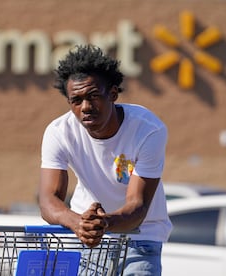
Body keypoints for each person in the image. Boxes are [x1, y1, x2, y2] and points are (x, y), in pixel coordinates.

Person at [38, 45, 172, 275]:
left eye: (93, 96)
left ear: (112, 94)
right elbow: (48, 199)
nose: (86, 107)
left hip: (141, 235)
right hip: (87, 236)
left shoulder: (147, 129)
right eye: (76, 100)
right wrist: (78, 222)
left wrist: (104, 224)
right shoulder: (59, 132)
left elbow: (136, 206)